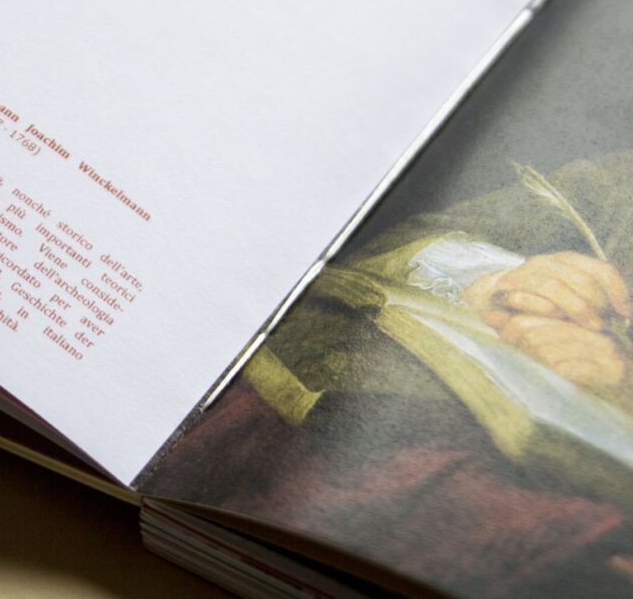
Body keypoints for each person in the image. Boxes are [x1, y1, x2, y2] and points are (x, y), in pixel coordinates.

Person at [145, 150, 633, 597]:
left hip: (563, 499)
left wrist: (621, 383)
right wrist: (495, 279)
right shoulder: (620, 175)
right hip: (356, 395)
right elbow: (410, 241)